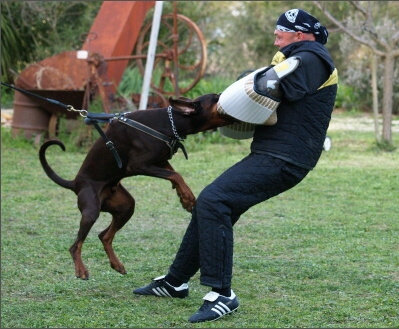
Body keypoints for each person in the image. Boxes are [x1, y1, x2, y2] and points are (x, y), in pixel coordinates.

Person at [133, 8, 338, 323]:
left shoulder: (313, 57)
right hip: (275, 153)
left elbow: (266, 85)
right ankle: (175, 282)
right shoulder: (298, 56)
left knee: (216, 200)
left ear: (298, 35)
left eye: (280, 30)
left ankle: (221, 294)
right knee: (213, 204)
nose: (275, 35)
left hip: (286, 158)